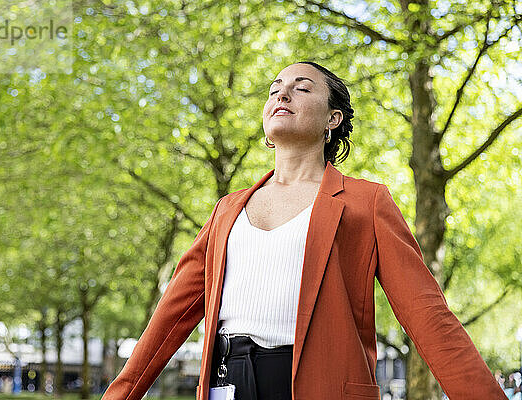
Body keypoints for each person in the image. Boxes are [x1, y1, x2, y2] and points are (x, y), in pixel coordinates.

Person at [101, 61, 507, 400]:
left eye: (301, 88)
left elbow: (429, 318)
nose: (282, 94)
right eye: (275, 87)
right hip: (227, 384)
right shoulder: (227, 210)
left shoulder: (367, 203)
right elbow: (168, 320)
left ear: (333, 119)